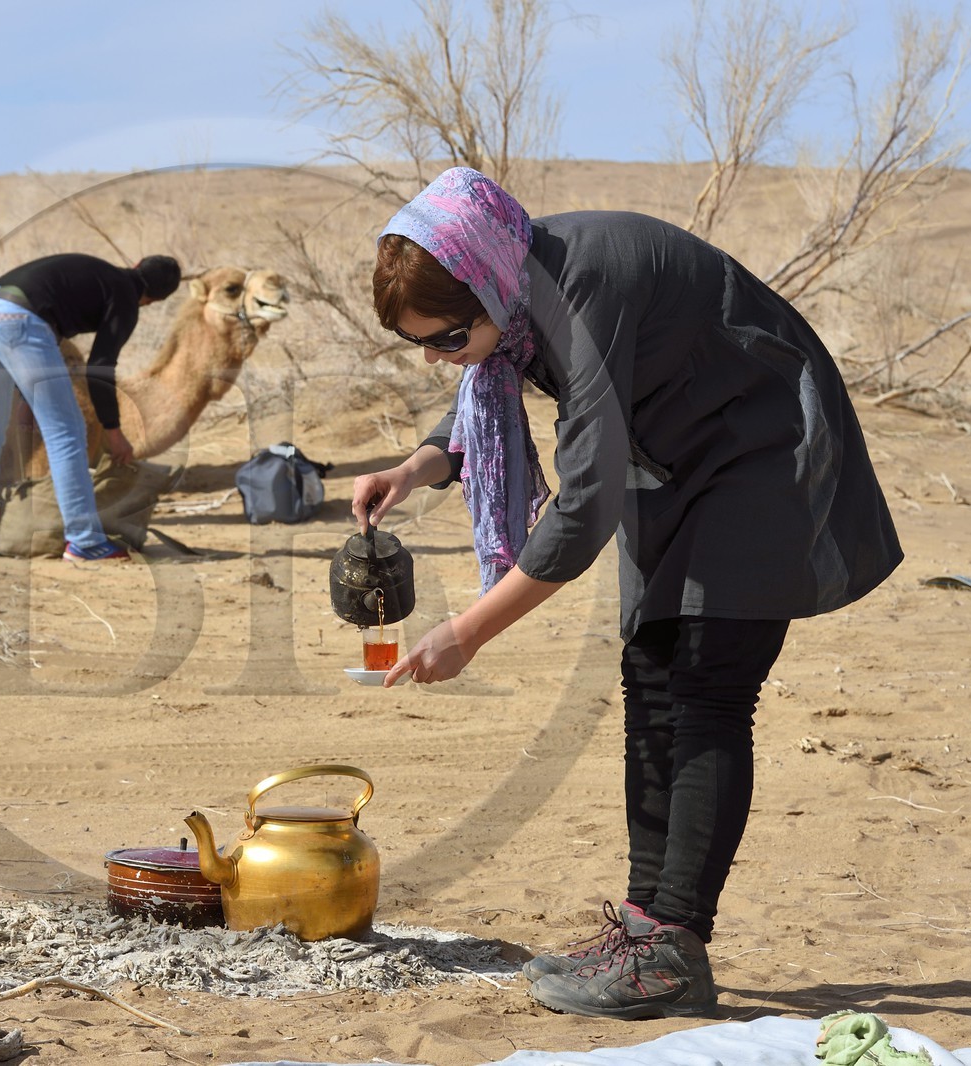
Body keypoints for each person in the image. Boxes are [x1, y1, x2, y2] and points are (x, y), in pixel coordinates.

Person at [352, 168, 902, 1020]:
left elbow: (584, 505)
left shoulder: (583, 287)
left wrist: (469, 631)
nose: (438, 358)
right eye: (422, 344)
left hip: (763, 447)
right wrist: (421, 463)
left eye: (448, 336)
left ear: (488, 285)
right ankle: (644, 935)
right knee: (650, 677)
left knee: (709, 690)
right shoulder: (514, 280)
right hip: (679, 460)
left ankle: (674, 944)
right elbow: (490, 384)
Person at [0, 252, 182, 561]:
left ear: (136, 265)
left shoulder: (102, 272)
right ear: (153, 301)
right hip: (18, 319)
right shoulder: (126, 298)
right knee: (67, 431)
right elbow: (100, 368)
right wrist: (113, 430)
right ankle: (84, 541)